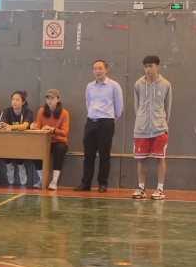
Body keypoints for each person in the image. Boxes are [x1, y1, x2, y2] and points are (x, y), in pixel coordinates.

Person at [74, 60, 123, 192]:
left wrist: (109, 119)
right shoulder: (90, 86)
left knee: (104, 155)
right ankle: (86, 183)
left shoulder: (114, 86)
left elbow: (119, 107)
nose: (97, 71)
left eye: (100, 68)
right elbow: (88, 103)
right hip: (91, 122)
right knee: (88, 155)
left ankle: (102, 183)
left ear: (106, 70)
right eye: (95, 69)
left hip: (106, 123)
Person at [131, 55, 172, 200]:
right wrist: (141, 120)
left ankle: (160, 189)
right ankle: (141, 188)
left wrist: (161, 123)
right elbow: (137, 107)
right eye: (145, 66)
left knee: (160, 159)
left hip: (159, 129)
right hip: (141, 129)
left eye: (151, 66)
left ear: (157, 67)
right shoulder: (138, 84)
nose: (148, 69)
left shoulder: (166, 84)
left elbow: (167, 108)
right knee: (141, 159)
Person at [31, 89, 70, 190]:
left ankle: (54, 180)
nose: (49, 100)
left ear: (58, 99)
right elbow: (38, 127)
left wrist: (53, 129)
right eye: (48, 98)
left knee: (60, 149)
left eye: (52, 98)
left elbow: (65, 132)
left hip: (59, 141)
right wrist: (33, 127)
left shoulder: (64, 113)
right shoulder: (41, 111)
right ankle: (42, 179)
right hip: (44, 142)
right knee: (35, 150)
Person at [0, 91, 33, 185]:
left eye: (17, 100)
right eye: (13, 99)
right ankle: (9, 169)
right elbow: (2, 123)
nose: (15, 102)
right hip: (9, 139)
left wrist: (11, 127)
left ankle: (21, 168)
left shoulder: (28, 112)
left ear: (23, 102)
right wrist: (1, 125)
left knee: (18, 147)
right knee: (4, 146)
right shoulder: (7, 111)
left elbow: (24, 126)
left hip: (24, 140)